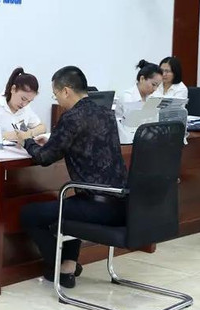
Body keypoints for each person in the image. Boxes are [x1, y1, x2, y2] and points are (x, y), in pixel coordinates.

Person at [17, 66, 126, 289]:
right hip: (121, 203)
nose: (57, 100)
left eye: (56, 95)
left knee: (29, 213)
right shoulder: (106, 113)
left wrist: (25, 141)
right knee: (70, 204)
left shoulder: (72, 118)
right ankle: (68, 266)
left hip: (96, 207)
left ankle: (57, 266)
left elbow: (45, 158)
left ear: (66, 91)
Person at [0, 67, 46, 141]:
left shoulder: (25, 108)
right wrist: (3, 135)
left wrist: (29, 133)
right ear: (13, 89)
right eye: (23, 99)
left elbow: (42, 127)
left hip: (15, 149)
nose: (24, 104)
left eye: (29, 101)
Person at [115, 59, 163, 124]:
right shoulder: (127, 97)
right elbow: (129, 123)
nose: (155, 89)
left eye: (158, 86)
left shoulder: (153, 97)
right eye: (153, 84)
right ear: (142, 79)